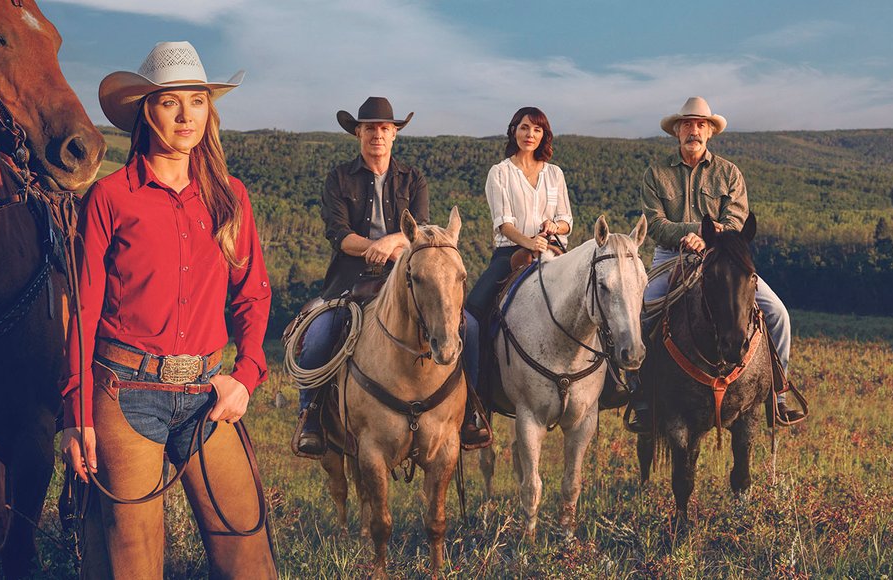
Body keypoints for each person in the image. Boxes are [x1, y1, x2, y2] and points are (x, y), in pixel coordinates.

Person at [59, 41, 275, 578]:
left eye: (197, 100)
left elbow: (253, 293)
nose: (186, 116)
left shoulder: (230, 195)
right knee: (133, 562)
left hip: (208, 394)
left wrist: (245, 376)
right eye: (170, 102)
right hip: (124, 392)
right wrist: (76, 413)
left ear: (210, 109)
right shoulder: (110, 198)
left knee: (248, 554)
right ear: (145, 111)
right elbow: (82, 310)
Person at [291, 96, 490, 457]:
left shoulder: (413, 178)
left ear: (395, 134)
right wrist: (372, 246)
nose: (377, 135)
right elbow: (338, 234)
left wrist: (391, 243)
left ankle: (472, 409)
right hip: (351, 280)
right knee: (320, 334)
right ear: (358, 134)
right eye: (369, 128)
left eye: (384, 128)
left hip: (405, 278)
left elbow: (423, 226)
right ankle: (312, 415)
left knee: (470, 328)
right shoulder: (339, 178)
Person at [636, 96, 807, 425]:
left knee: (777, 314)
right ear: (677, 131)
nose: (694, 130)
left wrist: (709, 238)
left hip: (722, 256)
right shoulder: (655, 174)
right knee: (641, 312)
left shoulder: (729, 173)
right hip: (672, 256)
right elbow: (655, 224)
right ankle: (642, 393)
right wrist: (691, 231)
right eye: (687, 124)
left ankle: (777, 394)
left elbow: (737, 220)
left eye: (701, 124)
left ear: (710, 132)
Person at [466, 106, 574, 319]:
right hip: (510, 253)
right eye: (524, 128)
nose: (530, 135)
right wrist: (529, 242)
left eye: (537, 129)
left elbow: (566, 220)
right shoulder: (500, 173)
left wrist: (555, 226)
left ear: (544, 135)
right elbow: (504, 224)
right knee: (473, 310)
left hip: (553, 249)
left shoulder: (555, 173)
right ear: (514, 131)